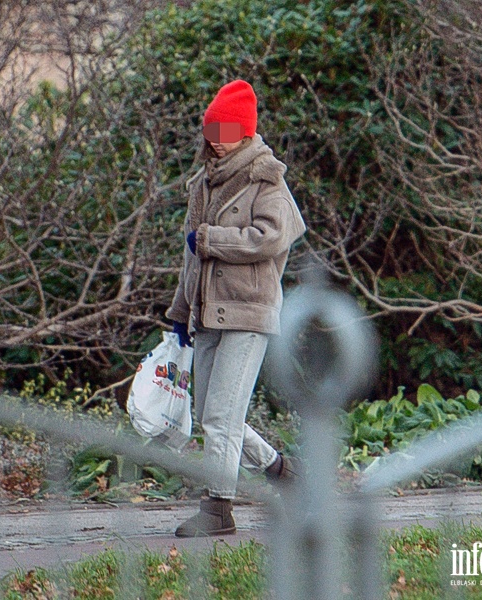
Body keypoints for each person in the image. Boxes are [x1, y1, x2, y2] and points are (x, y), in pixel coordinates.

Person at [165, 79, 307, 538]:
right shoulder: (202, 183)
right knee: (214, 414)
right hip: (207, 314)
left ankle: (218, 509)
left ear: (245, 132)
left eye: (224, 128)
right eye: (211, 127)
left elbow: (272, 237)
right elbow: (191, 256)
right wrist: (179, 312)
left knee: (221, 418)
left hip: (249, 313)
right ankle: (284, 472)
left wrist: (212, 239)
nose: (214, 137)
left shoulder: (267, 179)